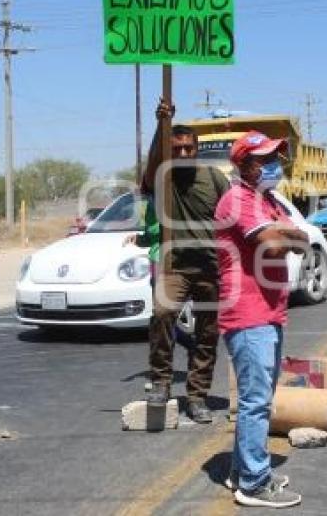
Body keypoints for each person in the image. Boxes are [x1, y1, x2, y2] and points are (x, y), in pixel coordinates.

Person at [215, 131, 308, 508]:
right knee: (256, 402)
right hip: (248, 314)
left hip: (268, 312)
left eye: (275, 156)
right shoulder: (238, 200)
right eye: (264, 158)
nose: (274, 164)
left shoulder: (265, 200)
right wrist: (287, 233)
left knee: (260, 397)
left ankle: (242, 471)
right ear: (244, 165)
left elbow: (299, 237)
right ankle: (254, 484)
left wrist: (287, 232)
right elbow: (275, 243)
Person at [141, 98, 230, 424]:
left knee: (208, 333)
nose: (182, 154)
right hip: (174, 265)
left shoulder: (214, 179)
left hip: (210, 267)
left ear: (196, 150)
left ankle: (197, 396)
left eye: (188, 148)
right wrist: (161, 125)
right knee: (163, 314)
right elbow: (150, 173)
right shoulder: (164, 179)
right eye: (176, 148)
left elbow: (233, 216)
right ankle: (162, 381)